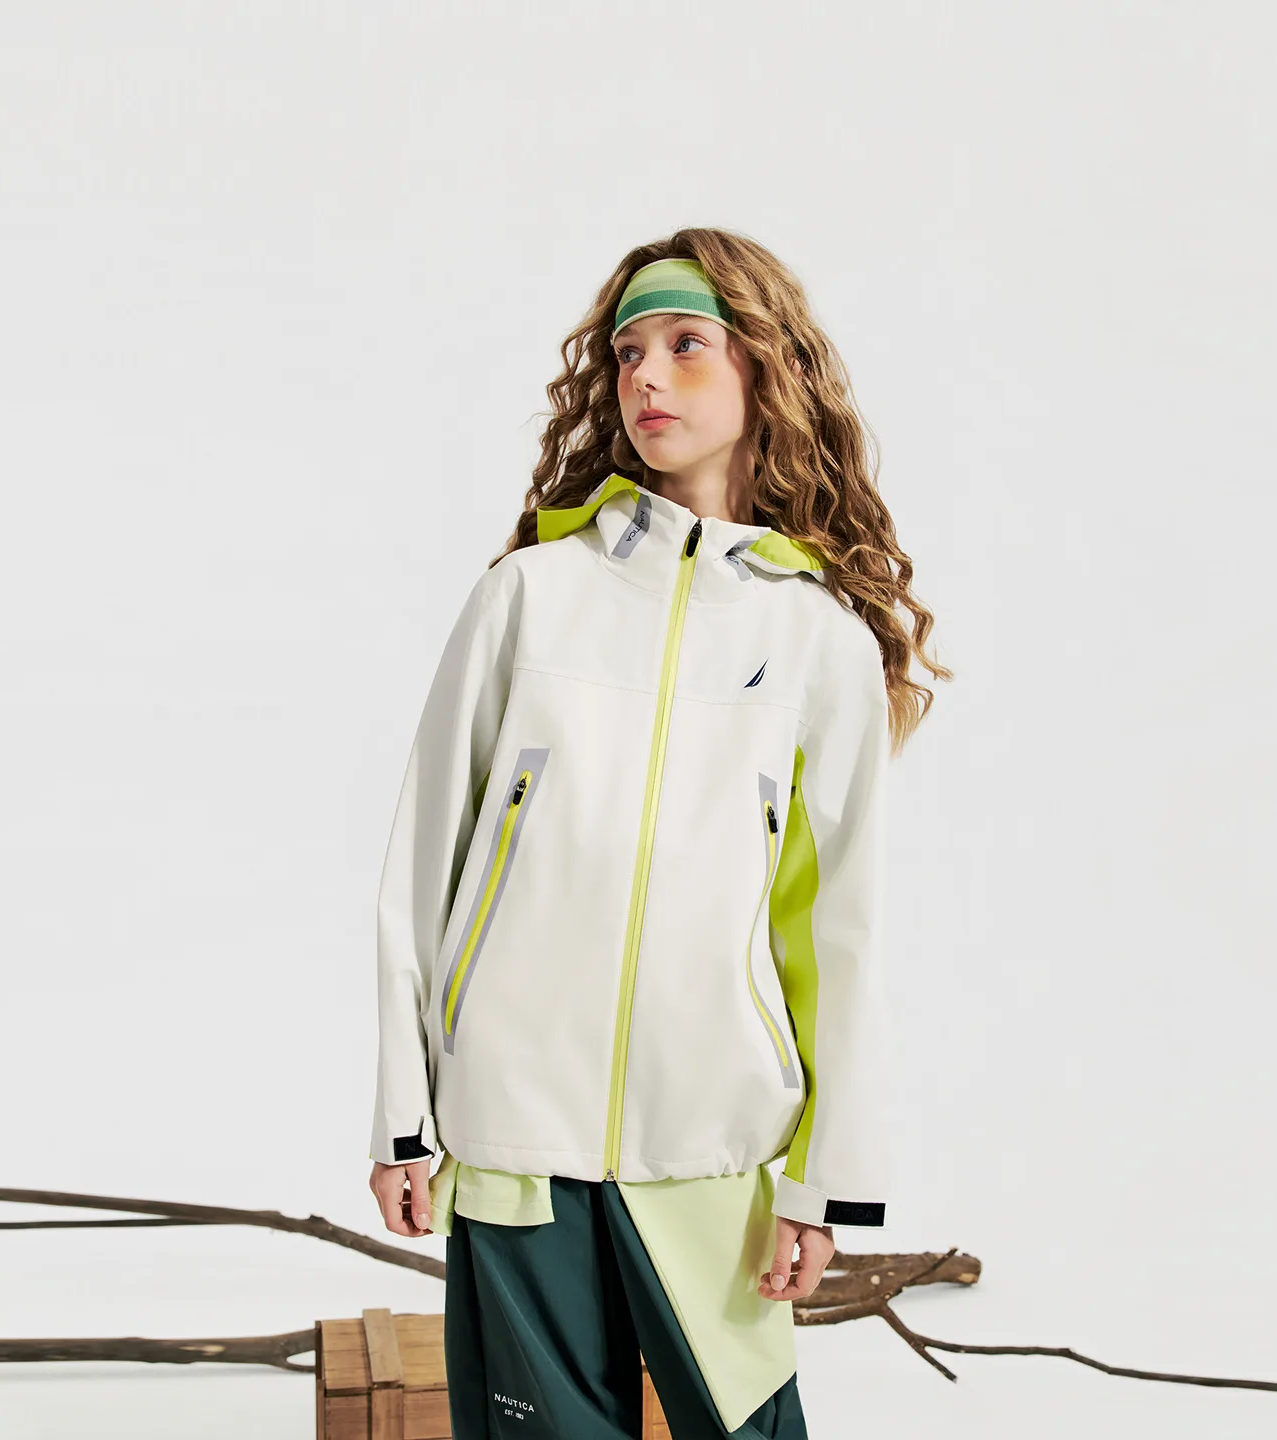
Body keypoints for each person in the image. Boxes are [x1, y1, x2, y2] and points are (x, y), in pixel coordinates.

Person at [366, 229, 950, 1438]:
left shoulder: (819, 642)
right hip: (516, 1139)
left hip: (713, 1150)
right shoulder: (530, 596)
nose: (646, 376)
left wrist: (827, 1176)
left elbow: (837, 933)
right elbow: (422, 872)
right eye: (629, 352)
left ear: (767, 368)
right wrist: (404, 1118)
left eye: (687, 345)